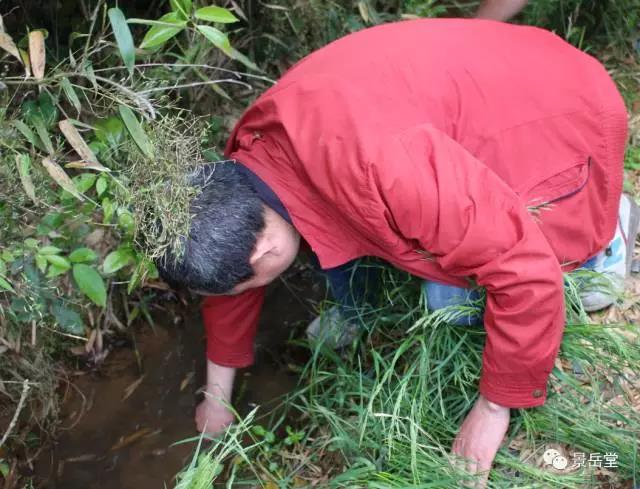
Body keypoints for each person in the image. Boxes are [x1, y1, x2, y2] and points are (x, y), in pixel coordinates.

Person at [158, 19, 636, 484]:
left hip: (564, 114)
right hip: (483, 89)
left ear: (263, 251)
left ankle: (610, 237)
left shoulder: (387, 172)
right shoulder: (247, 163)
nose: (235, 292)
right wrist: (216, 396)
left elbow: (524, 269)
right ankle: (361, 310)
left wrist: (495, 406)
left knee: (449, 304)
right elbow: (229, 273)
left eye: (246, 281)